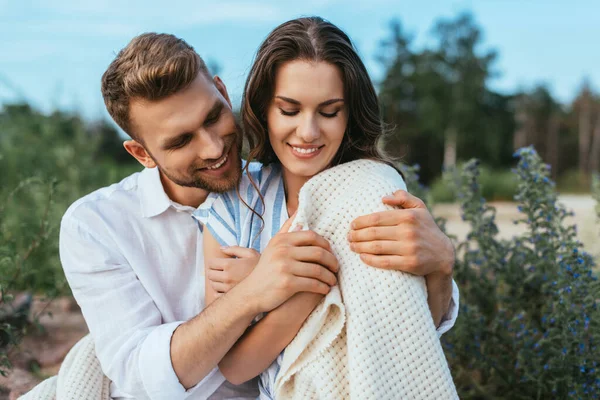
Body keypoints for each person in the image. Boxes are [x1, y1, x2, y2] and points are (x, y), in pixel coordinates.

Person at [58, 31, 457, 399]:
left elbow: (404, 318)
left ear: (222, 91)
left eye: (214, 117)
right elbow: (144, 373)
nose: (214, 148)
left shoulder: (300, 185)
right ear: (141, 153)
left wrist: (441, 266)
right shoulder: (96, 225)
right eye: (181, 141)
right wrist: (260, 289)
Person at [199, 17, 458, 399]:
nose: (308, 132)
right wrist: (289, 285)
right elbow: (234, 366)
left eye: (329, 111)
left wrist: (441, 266)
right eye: (289, 110)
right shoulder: (231, 206)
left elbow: (408, 337)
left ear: (350, 113)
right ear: (263, 110)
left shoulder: (374, 191)